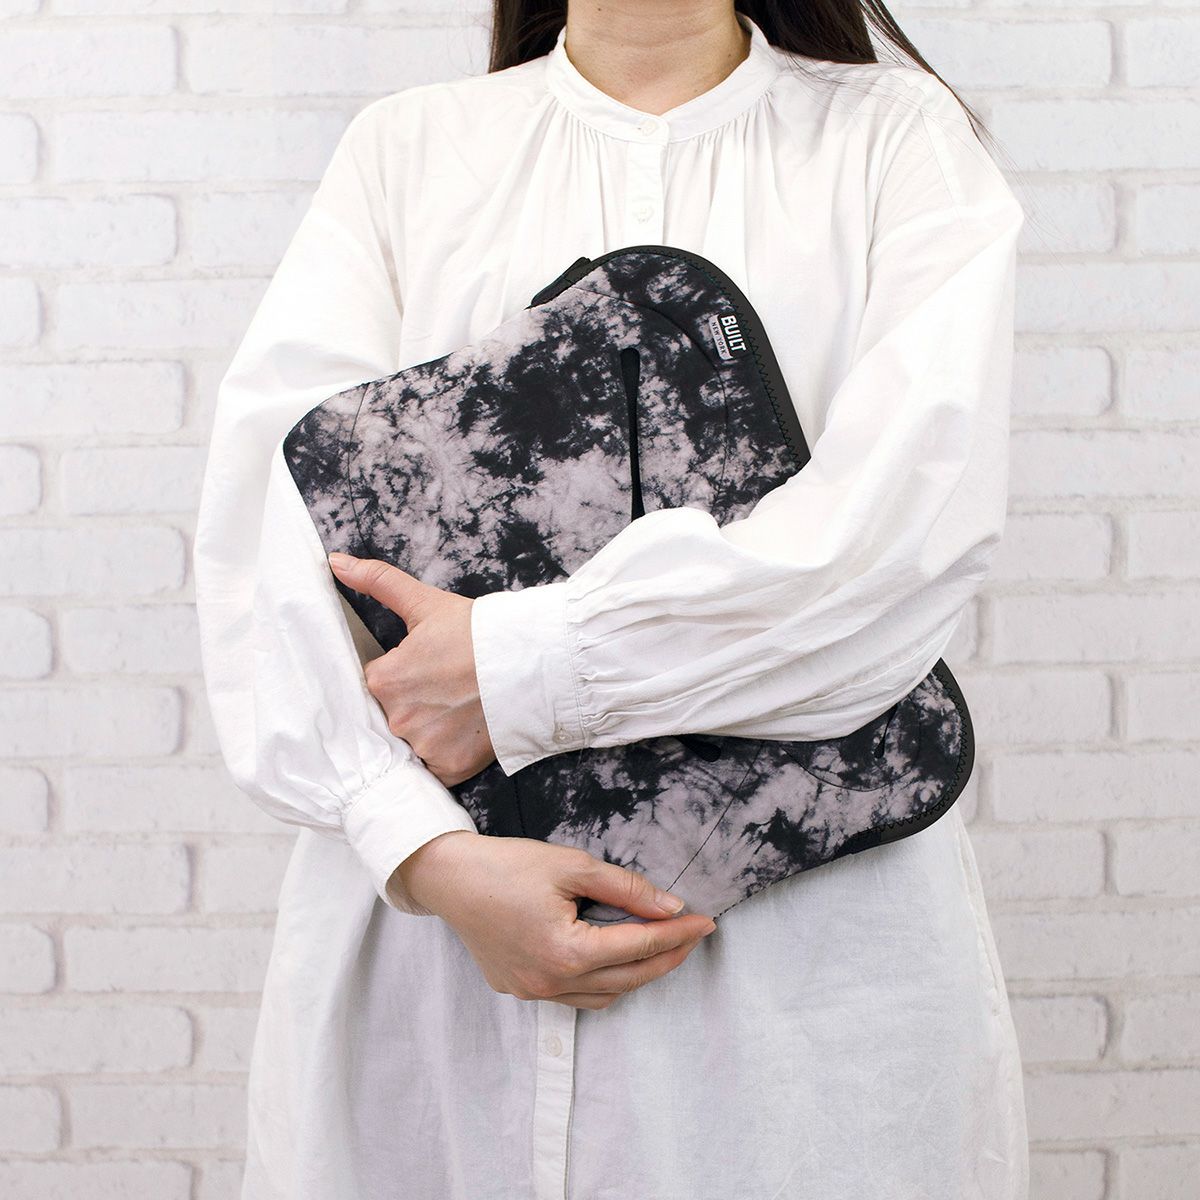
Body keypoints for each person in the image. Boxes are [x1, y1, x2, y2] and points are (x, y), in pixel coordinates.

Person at [192, 3, 1029, 1197]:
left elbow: (902, 542)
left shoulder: (895, 140)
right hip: (440, 934)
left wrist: (516, 664)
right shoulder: (409, 148)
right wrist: (421, 852)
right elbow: (269, 529)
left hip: (807, 947)